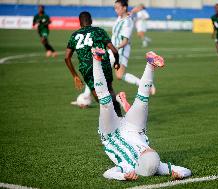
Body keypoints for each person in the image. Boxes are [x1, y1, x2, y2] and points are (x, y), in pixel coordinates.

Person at [91, 47, 191, 180]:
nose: (147, 148)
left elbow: (108, 173)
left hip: (111, 135)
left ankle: (96, 59)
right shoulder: (158, 166)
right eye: (151, 150)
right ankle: (150, 64)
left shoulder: (129, 166)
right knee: (142, 100)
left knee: (105, 101)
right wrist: (181, 174)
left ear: (141, 160)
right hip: (135, 130)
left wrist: (124, 176)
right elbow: (185, 170)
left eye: (146, 151)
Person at [65, 11, 124, 116]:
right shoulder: (99, 31)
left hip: (87, 68)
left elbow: (67, 58)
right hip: (103, 64)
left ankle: (113, 115)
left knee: (99, 97)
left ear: (79, 23)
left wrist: (75, 76)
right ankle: (119, 112)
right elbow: (114, 50)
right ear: (91, 21)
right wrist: (117, 63)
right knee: (109, 89)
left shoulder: (74, 36)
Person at [111, 0, 156, 95]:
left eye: (117, 8)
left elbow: (125, 41)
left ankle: (145, 85)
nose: (115, 10)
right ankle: (87, 96)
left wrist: (114, 48)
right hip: (113, 50)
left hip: (120, 50)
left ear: (124, 8)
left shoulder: (127, 21)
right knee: (111, 72)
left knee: (114, 73)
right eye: (114, 8)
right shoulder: (121, 17)